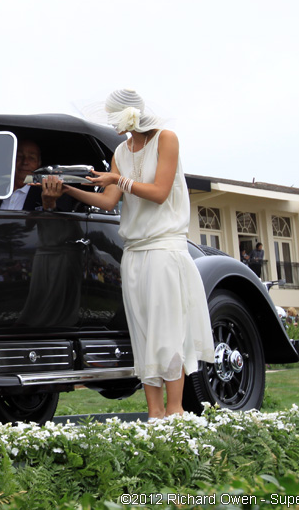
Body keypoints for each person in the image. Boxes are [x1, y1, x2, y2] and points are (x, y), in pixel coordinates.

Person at [59, 88, 213, 419]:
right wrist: (68, 187)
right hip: (135, 252)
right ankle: (154, 413)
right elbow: (107, 201)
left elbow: (158, 192)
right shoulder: (120, 151)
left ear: (129, 115)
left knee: (167, 329)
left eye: (112, 116)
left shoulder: (166, 139)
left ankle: (175, 412)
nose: (109, 122)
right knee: (142, 330)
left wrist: (119, 179)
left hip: (163, 248)